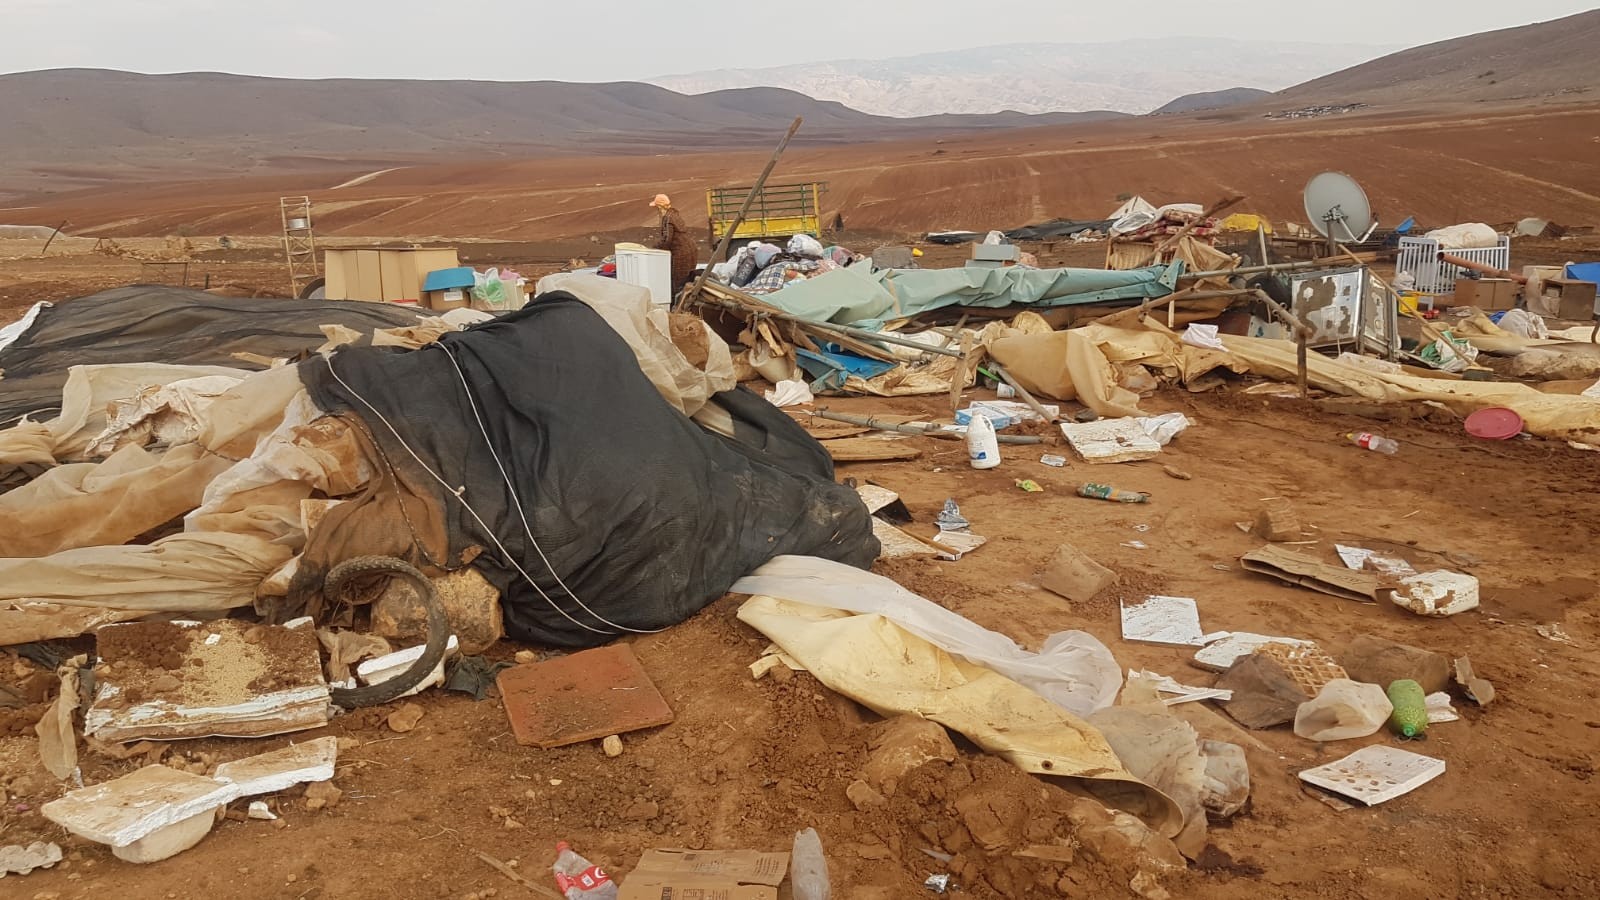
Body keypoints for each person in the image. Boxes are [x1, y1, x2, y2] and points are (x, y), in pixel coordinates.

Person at [650, 194, 698, 294]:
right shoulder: (674, 214)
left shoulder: (667, 218)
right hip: (691, 249)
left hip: (681, 253)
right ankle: (687, 299)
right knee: (688, 278)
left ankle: (678, 301)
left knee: (678, 281)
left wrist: (654, 248)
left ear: (660, 207)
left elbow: (667, 240)